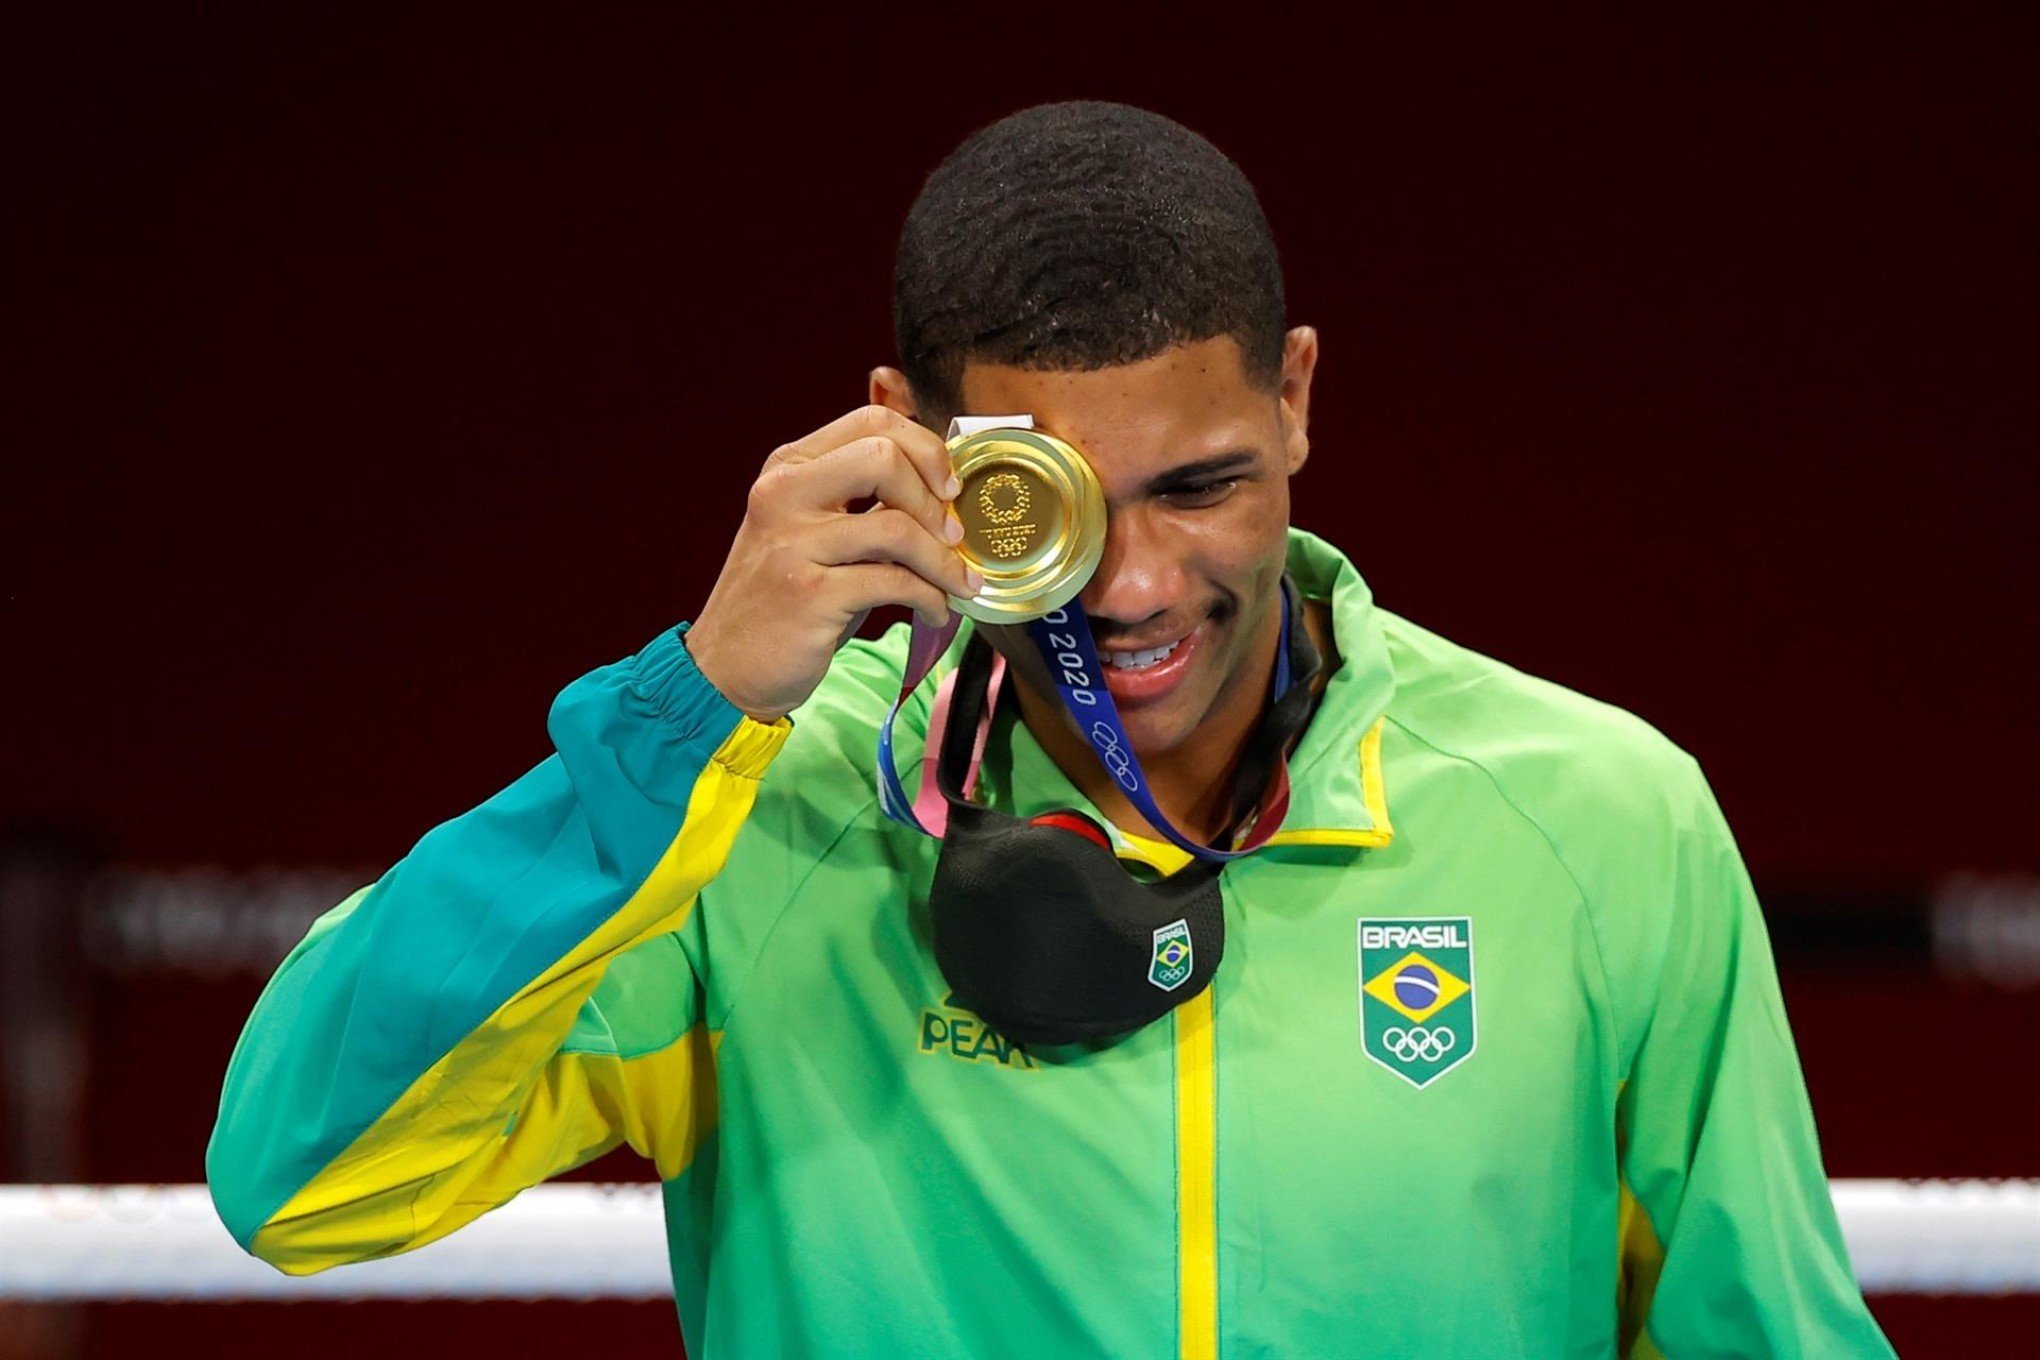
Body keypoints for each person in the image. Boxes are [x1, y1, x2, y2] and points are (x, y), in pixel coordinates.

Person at [208, 101, 1893, 1358]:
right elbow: (299, 1179)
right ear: (907, 439)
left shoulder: (1597, 821)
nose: (1139, 582)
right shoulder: (758, 818)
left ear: (1296, 395)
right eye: (1053, 504)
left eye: (1205, 483)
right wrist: (686, 712)